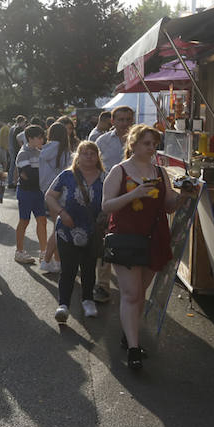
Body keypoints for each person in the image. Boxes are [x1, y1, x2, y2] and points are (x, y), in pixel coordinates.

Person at [101, 124, 193, 370]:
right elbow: (106, 206)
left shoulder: (159, 171)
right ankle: (134, 349)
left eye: (154, 144)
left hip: (155, 238)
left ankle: (128, 334)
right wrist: (134, 194)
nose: (152, 148)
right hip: (126, 238)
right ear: (133, 144)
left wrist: (184, 195)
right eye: (147, 143)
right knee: (131, 294)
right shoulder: (119, 171)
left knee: (140, 293)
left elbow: (169, 206)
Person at [44, 141, 106, 323]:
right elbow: (49, 196)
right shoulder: (67, 176)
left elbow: (111, 200)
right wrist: (62, 213)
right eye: (85, 153)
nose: (89, 156)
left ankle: (88, 300)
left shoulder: (105, 177)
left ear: (98, 157)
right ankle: (63, 305)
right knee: (68, 269)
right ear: (77, 156)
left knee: (89, 268)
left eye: (93, 153)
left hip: (92, 231)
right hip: (67, 230)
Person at [94, 105, 135, 303]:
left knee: (129, 240)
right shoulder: (102, 141)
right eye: (120, 119)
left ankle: (130, 286)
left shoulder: (138, 141)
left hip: (133, 198)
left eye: (128, 119)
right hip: (108, 197)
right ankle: (102, 285)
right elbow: (93, 168)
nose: (124, 123)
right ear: (113, 121)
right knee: (106, 240)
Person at [39, 122, 73, 273]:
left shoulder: (44, 149)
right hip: (61, 191)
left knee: (57, 227)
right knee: (58, 229)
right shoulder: (65, 150)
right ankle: (47, 260)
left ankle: (57, 261)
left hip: (47, 191)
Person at [14, 125, 48, 266]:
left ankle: (44, 252)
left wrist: (36, 175)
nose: (42, 140)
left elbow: (32, 175)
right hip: (26, 192)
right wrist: (40, 176)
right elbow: (29, 175)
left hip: (37, 192)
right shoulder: (23, 153)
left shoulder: (39, 152)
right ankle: (19, 251)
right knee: (24, 220)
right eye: (39, 137)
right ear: (30, 138)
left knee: (42, 220)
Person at [8, 115, 27, 188]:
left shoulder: (13, 128)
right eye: (24, 122)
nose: (25, 123)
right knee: (14, 166)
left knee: (13, 166)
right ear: (21, 121)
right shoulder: (18, 129)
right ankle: (13, 182)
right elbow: (17, 141)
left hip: (13, 149)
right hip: (16, 149)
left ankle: (11, 182)